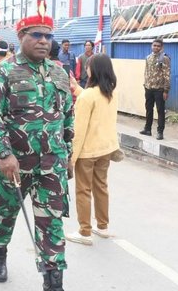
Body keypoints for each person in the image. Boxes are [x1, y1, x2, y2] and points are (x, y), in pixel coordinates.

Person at [0, 8, 73, 291]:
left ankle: (53, 279)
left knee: (52, 221)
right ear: (21, 36)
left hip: (51, 164)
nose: (44, 41)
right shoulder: (4, 72)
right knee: (4, 211)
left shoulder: (59, 73)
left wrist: (68, 153)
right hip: (14, 163)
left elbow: (68, 116)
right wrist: (4, 154)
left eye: (48, 36)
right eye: (37, 35)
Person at [65, 54, 119, 246]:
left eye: (88, 67)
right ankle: (102, 226)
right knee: (101, 187)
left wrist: (71, 157)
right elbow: (92, 100)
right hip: (105, 149)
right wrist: (76, 87)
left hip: (87, 152)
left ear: (93, 70)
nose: (86, 69)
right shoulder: (110, 92)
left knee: (83, 191)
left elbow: (78, 131)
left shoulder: (88, 97)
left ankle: (85, 231)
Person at [140, 39, 170, 140]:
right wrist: (145, 84)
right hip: (149, 88)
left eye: (158, 46)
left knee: (160, 111)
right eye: (154, 45)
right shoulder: (148, 57)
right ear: (151, 46)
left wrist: (166, 90)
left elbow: (167, 75)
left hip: (159, 89)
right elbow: (146, 72)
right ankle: (147, 129)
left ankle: (160, 132)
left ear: (161, 47)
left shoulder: (164, 58)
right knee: (148, 109)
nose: (156, 47)